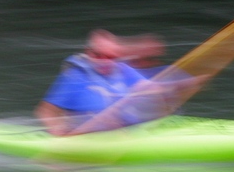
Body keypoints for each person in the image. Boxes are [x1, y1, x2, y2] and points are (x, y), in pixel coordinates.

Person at [35, 30, 206, 136]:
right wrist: (56, 128)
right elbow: (45, 111)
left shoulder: (122, 69)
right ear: (89, 53)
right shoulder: (75, 77)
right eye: (99, 55)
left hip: (124, 130)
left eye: (111, 57)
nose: (105, 61)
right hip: (87, 134)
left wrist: (185, 84)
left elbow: (149, 88)